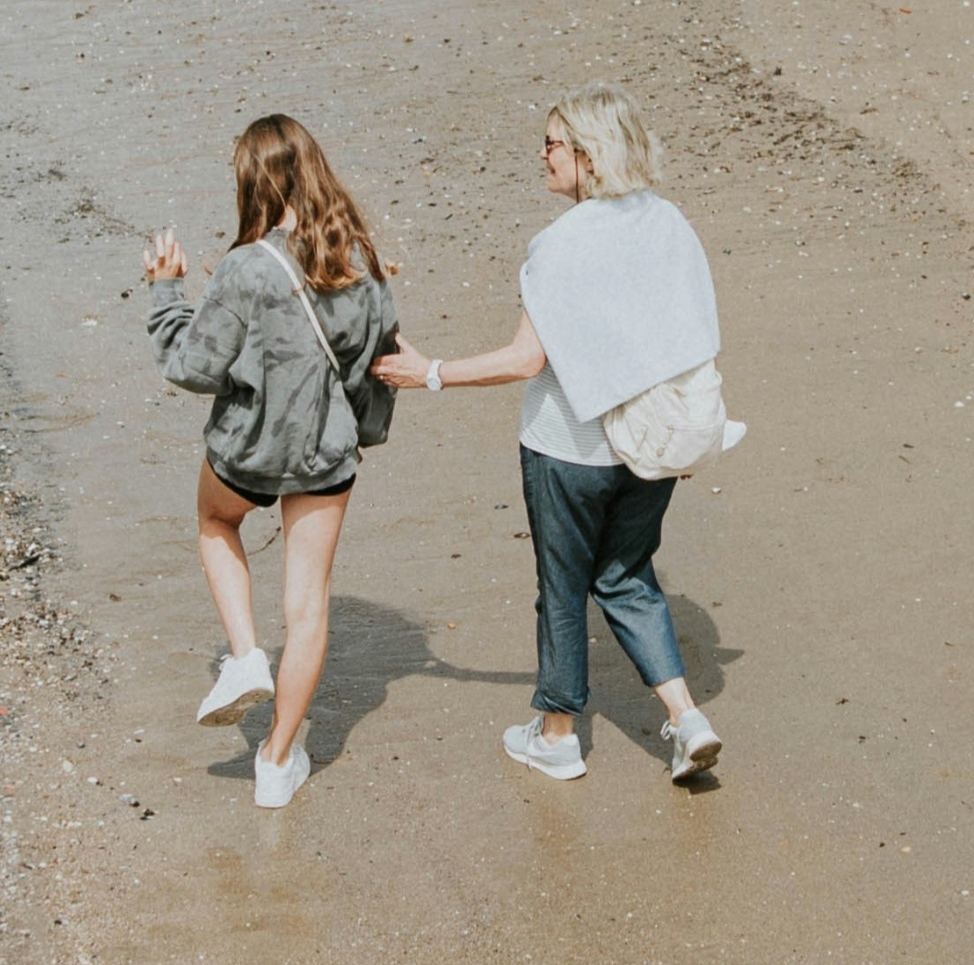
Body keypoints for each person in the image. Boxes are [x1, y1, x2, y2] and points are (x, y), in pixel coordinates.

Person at [373, 82, 731, 783]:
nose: (541, 155)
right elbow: (695, 340)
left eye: (552, 144)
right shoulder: (669, 222)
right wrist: (691, 437)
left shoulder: (559, 242)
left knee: (562, 587)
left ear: (588, 156)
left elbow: (525, 361)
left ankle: (559, 734)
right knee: (629, 577)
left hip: (568, 450)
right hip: (651, 446)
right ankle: (688, 719)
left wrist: (431, 373)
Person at [144, 114, 398, 808]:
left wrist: (167, 292)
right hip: (325, 451)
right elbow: (379, 359)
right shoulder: (364, 260)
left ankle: (245, 654)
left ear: (253, 181)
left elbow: (190, 367)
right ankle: (278, 761)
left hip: (250, 448)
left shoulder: (247, 266)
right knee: (308, 605)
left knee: (213, 523)